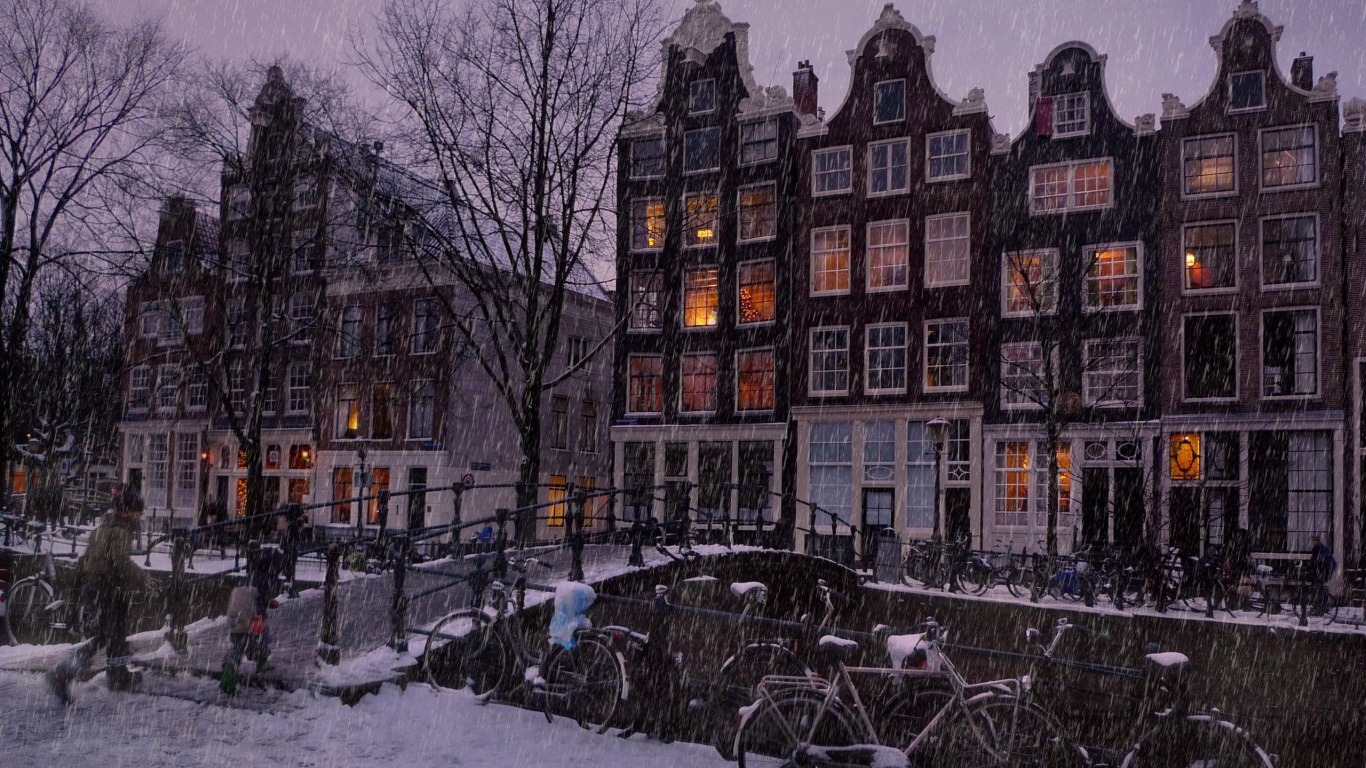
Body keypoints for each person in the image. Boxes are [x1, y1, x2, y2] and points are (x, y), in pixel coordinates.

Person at [47, 487, 154, 702]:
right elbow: (120, 563)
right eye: (138, 512)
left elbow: (86, 560)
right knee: (108, 634)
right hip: (104, 588)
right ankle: (63, 672)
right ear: (127, 512)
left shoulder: (102, 528)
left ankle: (118, 674)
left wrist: (77, 586)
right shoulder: (120, 531)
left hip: (94, 587)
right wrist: (146, 580)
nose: (140, 516)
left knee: (115, 632)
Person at [220, 540, 287, 694]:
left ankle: (228, 672)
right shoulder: (268, 579)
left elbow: (250, 595)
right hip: (249, 613)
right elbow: (260, 601)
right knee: (264, 636)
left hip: (234, 610)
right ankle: (262, 661)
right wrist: (262, 616)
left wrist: (267, 602)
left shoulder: (250, 575)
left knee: (237, 644)